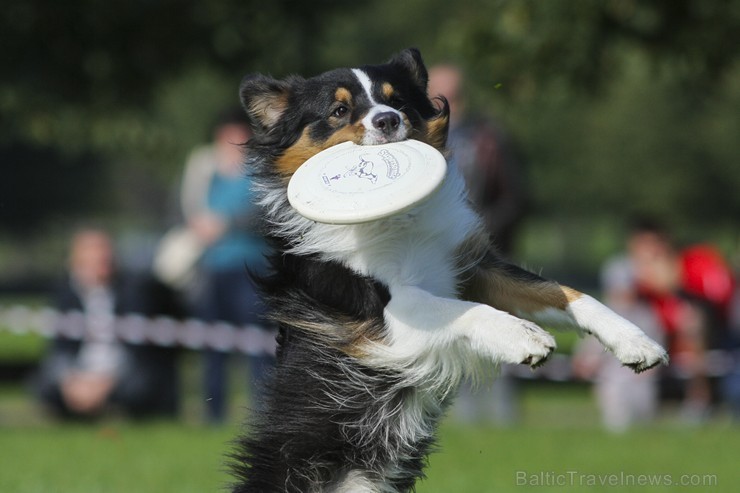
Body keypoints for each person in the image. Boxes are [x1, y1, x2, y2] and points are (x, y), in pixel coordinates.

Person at [428, 63, 528, 425]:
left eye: (447, 94)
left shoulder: (489, 136)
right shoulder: (416, 139)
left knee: (500, 336)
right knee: (455, 337)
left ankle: (503, 420)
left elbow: (515, 198)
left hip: (488, 252)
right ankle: (463, 424)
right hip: (436, 255)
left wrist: (481, 232)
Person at [178, 107, 273, 424]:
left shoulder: (261, 171)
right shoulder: (204, 173)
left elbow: (267, 216)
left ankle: (261, 411)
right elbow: (184, 210)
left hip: (251, 267)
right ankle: (212, 411)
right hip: (212, 268)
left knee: (257, 342)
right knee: (213, 343)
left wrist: (227, 223)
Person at [34, 228, 181, 419]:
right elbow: (60, 348)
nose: (102, 263)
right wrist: (70, 381)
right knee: (44, 383)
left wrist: (105, 382)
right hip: (81, 372)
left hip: (119, 373)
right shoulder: (66, 294)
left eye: (105, 257)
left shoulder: (133, 291)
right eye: (94, 258)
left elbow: (137, 349)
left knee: (140, 383)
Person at [573, 253, 664, 432]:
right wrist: (587, 365)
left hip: (640, 384)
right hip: (612, 385)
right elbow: (584, 359)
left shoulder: (646, 317)